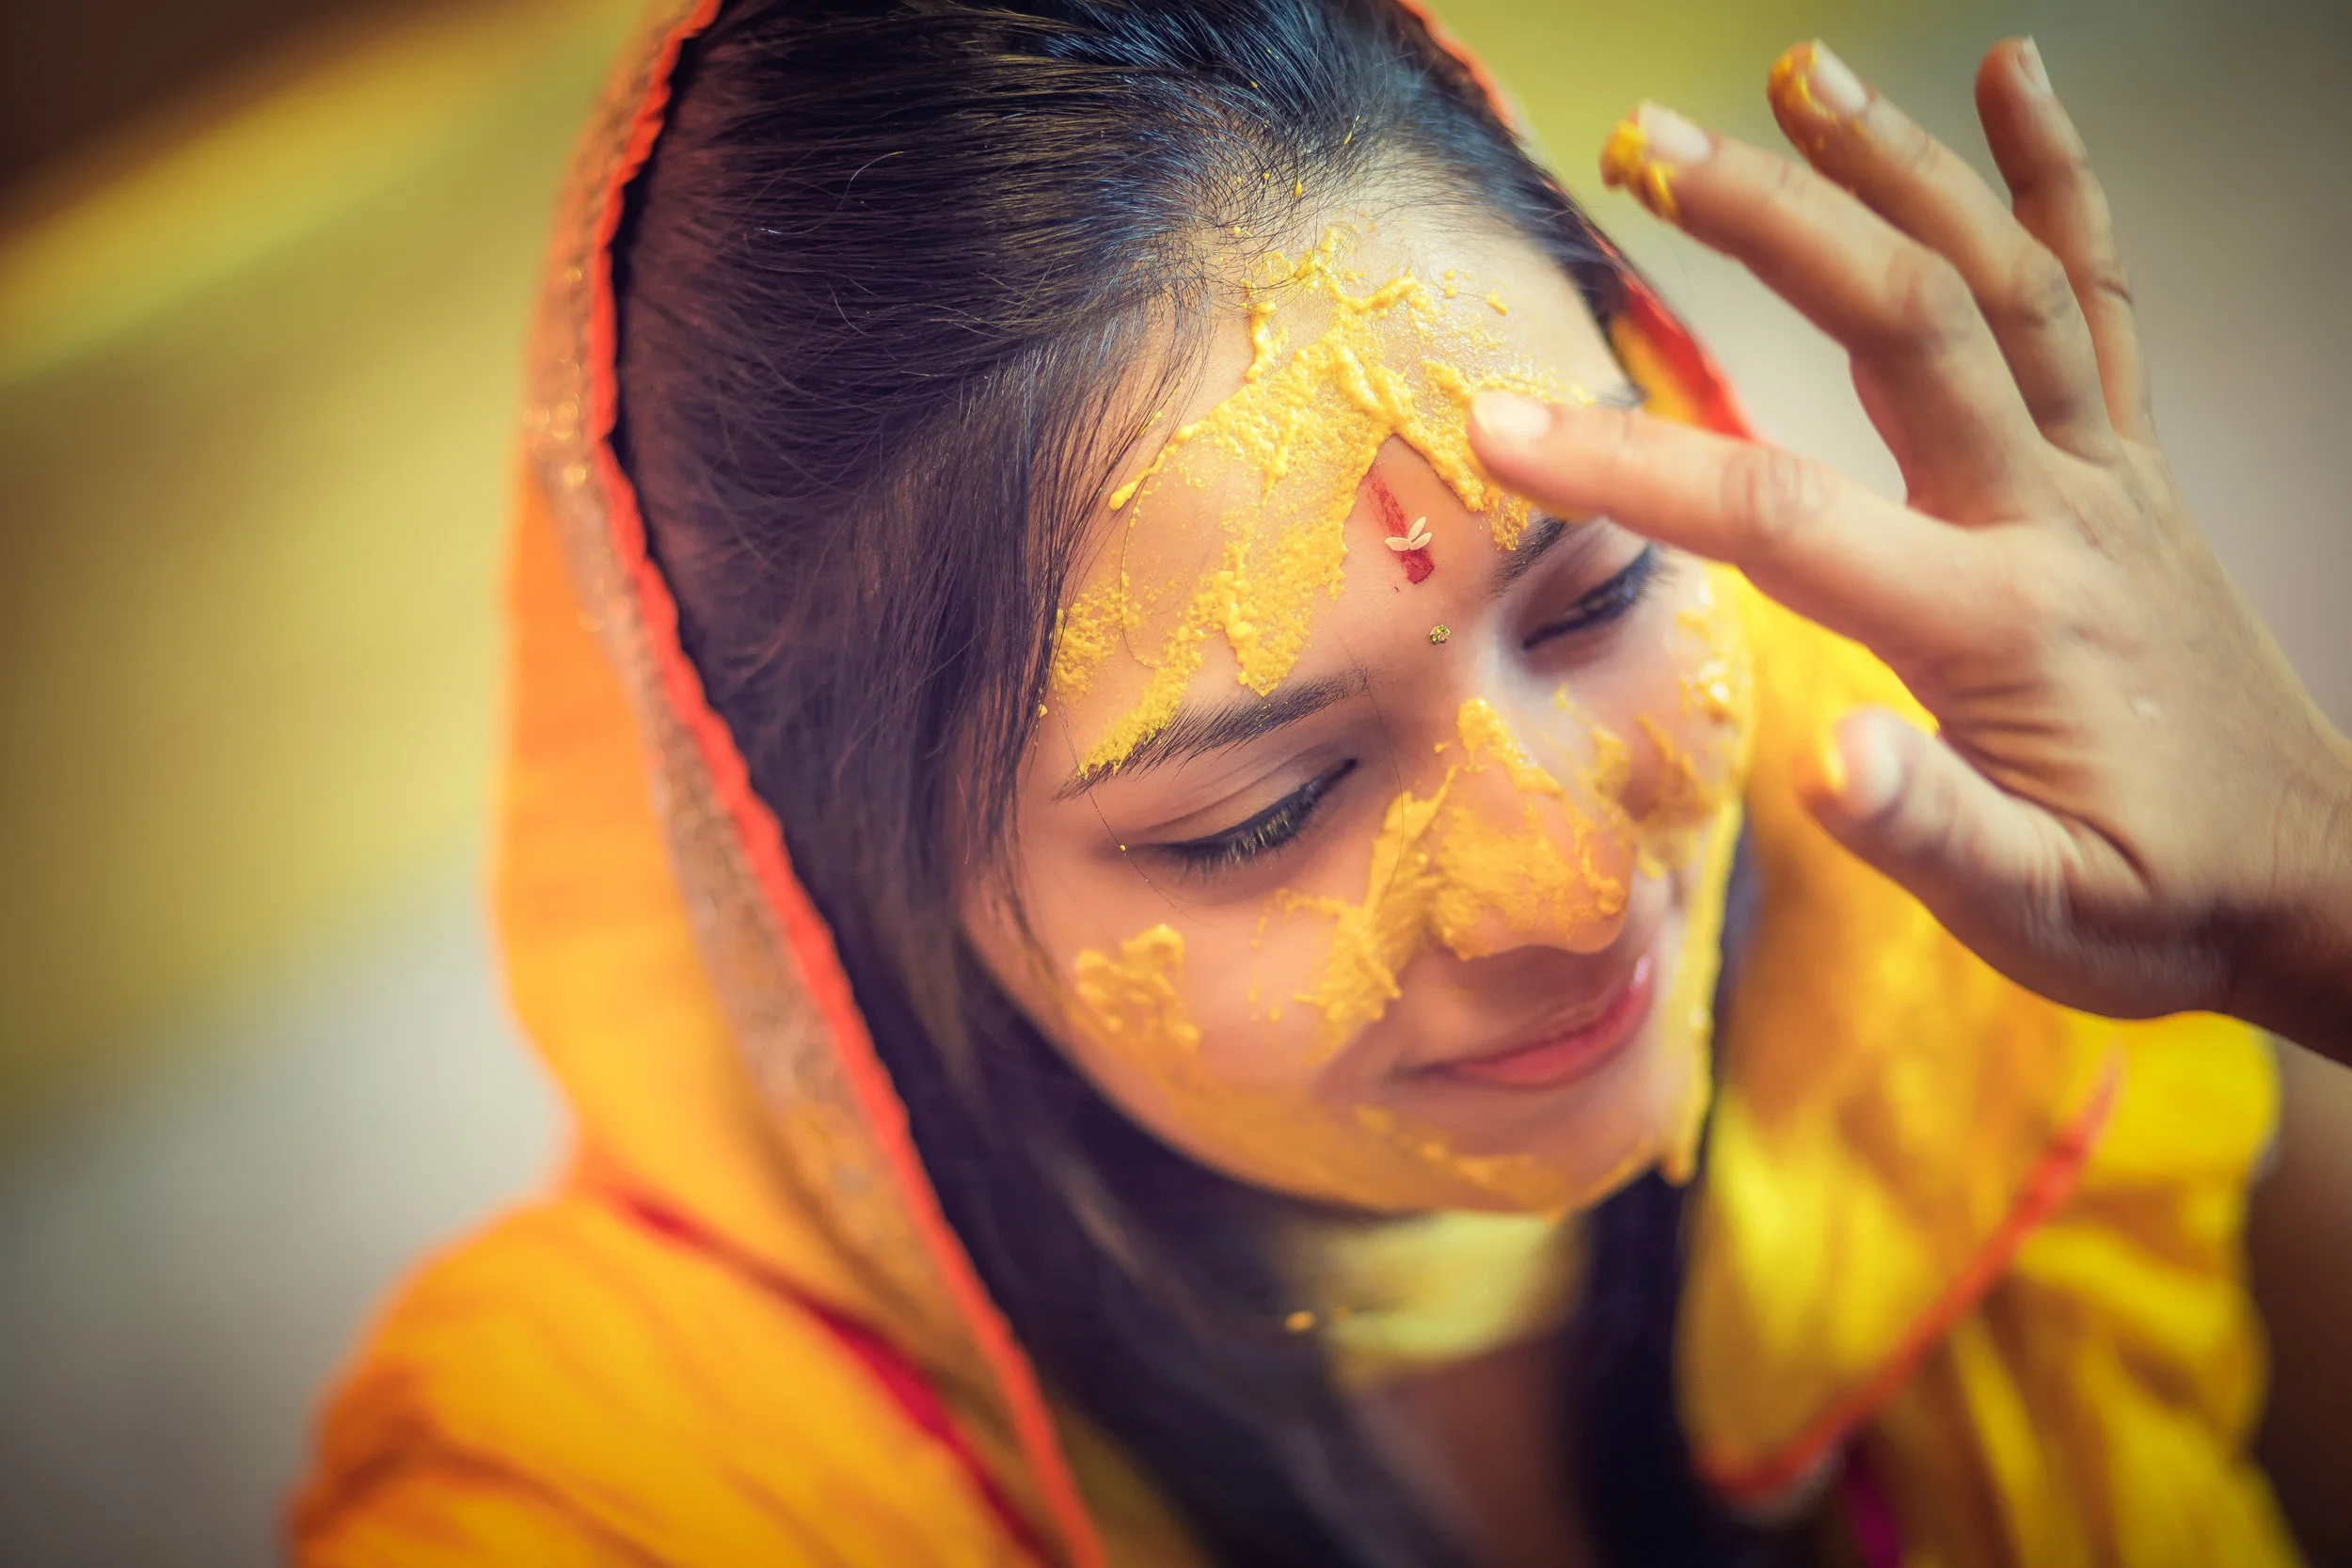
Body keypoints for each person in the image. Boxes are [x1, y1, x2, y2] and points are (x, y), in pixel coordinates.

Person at [294, 2, 2352, 1564]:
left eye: (1591, 596)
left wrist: (2307, 888)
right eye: (1257, 811)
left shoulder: (1958, 920)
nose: (1565, 885)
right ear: (818, 899)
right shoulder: (601, 1489)